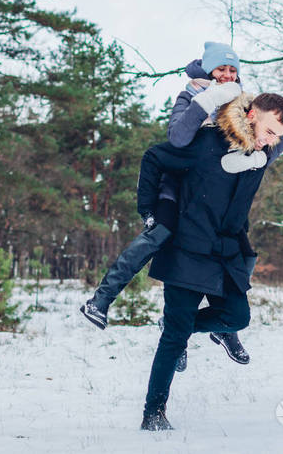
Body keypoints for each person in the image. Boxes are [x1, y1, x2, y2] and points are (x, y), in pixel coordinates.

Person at [80, 43, 270, 368]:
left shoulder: (243, 104)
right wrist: (148, 210)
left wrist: (263, 150)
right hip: (178, 188)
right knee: (156, 237)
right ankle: (100, 300)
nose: (227, 75)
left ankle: (226, 329)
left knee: (242, 251)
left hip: (214, 196)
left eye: (232, 70)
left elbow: (264, 140)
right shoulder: (189, 96)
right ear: (208, 70)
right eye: (221, 69)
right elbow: (177, 139)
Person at [138, 92, 283, 431]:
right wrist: (149, 212)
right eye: (269, 132)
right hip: (188, 249)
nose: (271, 142)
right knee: (175, 338)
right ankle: (154, 413)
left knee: (237, 316)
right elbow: (154, 157)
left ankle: (176, 327)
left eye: (277, 137)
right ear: (250, 115)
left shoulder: (258, 155)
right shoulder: (207, 142)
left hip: (226, 252)